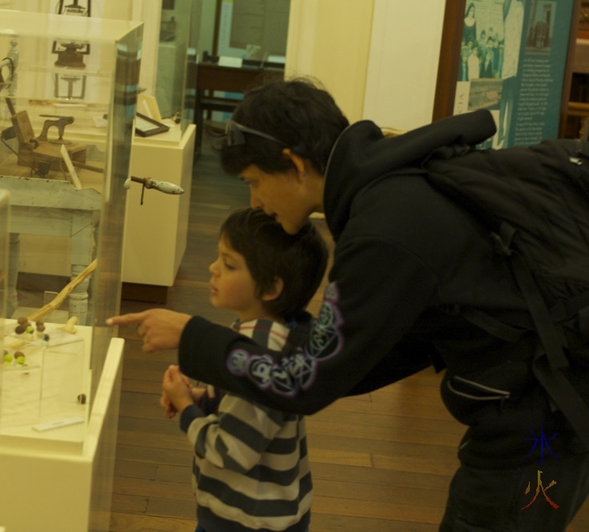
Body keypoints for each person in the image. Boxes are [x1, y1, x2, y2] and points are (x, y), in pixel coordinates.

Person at [107, 78, 589, 531]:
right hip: (539, 403)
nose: (254, 201)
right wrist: (250, 369)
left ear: (294, 164)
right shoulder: (390, 187)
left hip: (540, 422)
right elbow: (360, 354)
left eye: (254, 181)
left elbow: (307, 381)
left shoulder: (383, 230)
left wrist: (191, 335)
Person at [161, 207, 327, 532]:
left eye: (229, 264)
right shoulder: (280, 333)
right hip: (268, 512)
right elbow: (250, 413)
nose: (213, 269)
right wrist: (201, 398)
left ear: (270, 289)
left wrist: (185, 410)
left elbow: (231, 451)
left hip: (247, 519)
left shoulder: (259, 354)